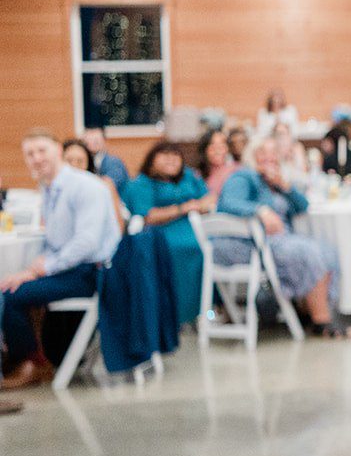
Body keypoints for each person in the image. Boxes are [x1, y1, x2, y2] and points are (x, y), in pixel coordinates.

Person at [0, 130, 121, 390]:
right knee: (11, 285)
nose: (36, 158)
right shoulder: (48, 187)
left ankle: (34, 363)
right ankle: (23, 357)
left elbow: (86, 243)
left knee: (10, 295)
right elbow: (55, 242)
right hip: (69, 268)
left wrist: (42, 268)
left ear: (57, 150)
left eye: (41, 151)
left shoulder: (86, 186)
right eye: (30, 154)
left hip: (91, 272)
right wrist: (33, 269)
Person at [218, 139, 343, 337]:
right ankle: (322, 321)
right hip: (253, 244)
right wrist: (260, 210)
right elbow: (227, 203)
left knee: (326, 250)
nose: (269, 158)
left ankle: (312, 312)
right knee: (308, 252)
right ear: (253, 156)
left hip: (280, 240)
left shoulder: (276, 183)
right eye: (263, 153)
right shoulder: (244, 176)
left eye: (274, 153)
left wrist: (284, 186)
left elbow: (303, 206)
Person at [121, 141, 212, 325]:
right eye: (165, 155)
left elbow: (209, 197)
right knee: (177, 251)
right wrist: (184, 207)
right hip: (160, 233)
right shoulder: (142, 183)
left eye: (175, 155)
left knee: (210, 250)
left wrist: (200, 206)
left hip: (198, 230)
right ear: (152, 160)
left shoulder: (189, 176)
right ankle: (174, 316)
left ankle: (205, 310)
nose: (171, 159)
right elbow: (148, 215)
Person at [61, 138, 125, 230]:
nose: (74, 166)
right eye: (69, 161)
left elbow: (118, 227)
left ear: (88, 164)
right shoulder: (54, 188)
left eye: (80, 161)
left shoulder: (104, 185)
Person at [197, 128, 239, 199]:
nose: (218, 149)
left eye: (222, 144)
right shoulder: (196, 175)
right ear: (205, 149)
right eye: (213, 145)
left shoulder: (237, 170)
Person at [270, 122, 312, 190]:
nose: (282, 138)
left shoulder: (297, 148)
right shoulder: (272, 153)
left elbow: (306, 174)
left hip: (301, 187)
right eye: (278, 134)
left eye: (284, 134)